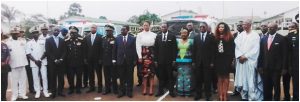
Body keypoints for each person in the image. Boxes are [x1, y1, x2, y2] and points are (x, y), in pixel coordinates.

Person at [235, 19, 263, 101]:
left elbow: (256, 49)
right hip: (241, 61)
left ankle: (252, 97)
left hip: (250, 61)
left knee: (250, 80)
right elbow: (237, 47)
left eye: (245, 24)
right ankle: (244, 96)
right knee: (242, 79)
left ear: (250, 25)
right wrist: (240, 56)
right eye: (243, 24)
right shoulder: (240, 35)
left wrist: (246, 56)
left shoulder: (255, 35)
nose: (243, 26)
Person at [258, 22, 287, 101]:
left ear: (276, 28)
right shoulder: (264, 38)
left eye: (272, 28)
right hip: (265, 68)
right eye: (269, 27)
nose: (269, 29)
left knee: (276, 87)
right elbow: (261, 53)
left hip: (276, 68)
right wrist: (260, 66)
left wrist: (284, 68)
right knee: (266, 87)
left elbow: (284, 54)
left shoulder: (281, 38)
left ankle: (276, 99)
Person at [26, 27, 50, 98]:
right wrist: (35, 61)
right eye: (33, 33)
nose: (35, 34)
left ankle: (45, 91)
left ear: (38, 33)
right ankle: (38, 91)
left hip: (42, 62)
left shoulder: (43, 41)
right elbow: (28, 54)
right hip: (34, 63)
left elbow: (46, 52)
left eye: (36, 32)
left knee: (44, 77)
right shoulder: (29, 43)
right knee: (35, 77)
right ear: (32, 34)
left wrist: (39, 60)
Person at [192, 22, 215, 101]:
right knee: (198, 79)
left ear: (206, 27)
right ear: (199, 28)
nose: (202, 28)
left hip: (207, 63)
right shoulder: (196, 37)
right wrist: (193, 61)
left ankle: (208, 95)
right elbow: (194, 50)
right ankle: (198, 94)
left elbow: (213, 51)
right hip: (198, 62)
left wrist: (212, 62)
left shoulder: (211, 37)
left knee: (207, 80)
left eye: (203, 27)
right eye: (200, 27)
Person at [113, 25, 137, 98]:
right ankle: (122, 92)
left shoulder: (132, 39)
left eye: (123, 30)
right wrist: (114, 59)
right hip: (120, 61)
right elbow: (114, 50)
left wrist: (135, 60)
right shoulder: (117, 38)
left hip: (129, 61)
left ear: (127, 30)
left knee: (130, 77)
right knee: (121, 77)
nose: (122, 31)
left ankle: (129, 91)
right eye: (121, 30)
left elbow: (134, 50)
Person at [154, 23, 177, 97]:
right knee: (161, 77)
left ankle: (171, 91)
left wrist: (174, 60)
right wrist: (155, 60)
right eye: (162, 27)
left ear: (167, 28)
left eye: (164, 27)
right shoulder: (158, 36)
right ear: (161, 28)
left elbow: (174, 49)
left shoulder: (172, 36)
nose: (163, 28)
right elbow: (156, 49)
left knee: (170, 77)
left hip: (169, 61)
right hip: (160, 61)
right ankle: (160, 91)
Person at [213, 22, 235, 101]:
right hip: (218, 60)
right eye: (219, 27)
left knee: (226, 78)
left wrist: (231, 60)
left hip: (226, 60)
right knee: (219, 78)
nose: (221, 28)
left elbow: (232, 50)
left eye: (222, 27)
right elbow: (213, 50)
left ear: (225, 28)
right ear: (217, 29)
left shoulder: (230, 37)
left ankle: (225, 95)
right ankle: (220, 95)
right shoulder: (215, 37)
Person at [6, 27, 29, 101]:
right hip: (13, 65)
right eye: (14, 34)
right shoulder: (7, 42)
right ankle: (14, 95)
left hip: (22, 63)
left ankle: (22, 94)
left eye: (17, 33)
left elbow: (26, 51)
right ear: (11, 34)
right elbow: (7, 54)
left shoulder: (22, 41)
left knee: (23, 80)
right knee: (14, 81)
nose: (16, 35)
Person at [46, 27, 66, 99]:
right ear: (52, 31)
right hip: (52, 63)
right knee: (53, 78)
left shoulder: (62, 40)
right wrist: (55, 60)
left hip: (61, 62)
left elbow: (64, 51)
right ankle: (53, 92)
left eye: (58, 30)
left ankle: (60, 91)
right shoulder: (48, 40)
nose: (56, 31)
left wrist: (61, 59)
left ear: (59, 32)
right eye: (55, 30)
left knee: (61, 77)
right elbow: (48, 51)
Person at [83, 24, 103, 93]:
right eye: (91, 28)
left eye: (94, 28)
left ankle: (100, 87)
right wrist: (85, 58)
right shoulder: (86, 37)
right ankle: (92, 87)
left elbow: (101, 49)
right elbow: (85, 49)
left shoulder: (100, 37)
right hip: (89, 59)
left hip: (97, 60)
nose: (92, 29)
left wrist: (101, 58)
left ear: (96, 29)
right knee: (90, 74)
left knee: (99, 74)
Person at [65, 26, 84, 95]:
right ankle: (71, 88)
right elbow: (65, 51)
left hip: (79, 62)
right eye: (71, 32)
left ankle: (78, 88)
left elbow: (84, 50)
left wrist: (83, 60)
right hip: (70, 62)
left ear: (77, 33)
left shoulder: (81, 39)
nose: (72, 34)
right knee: (70, 76)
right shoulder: (66, 40)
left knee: (79, 76)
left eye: (74, 32)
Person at [174, 28, 193, 96]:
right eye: (182, 33)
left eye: (185, 33)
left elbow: (194, 51)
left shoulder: (191, 41)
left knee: (187, 77)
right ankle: (180, 91)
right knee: (180, 77)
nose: (183, 34)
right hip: (179, 61)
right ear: (180, 34)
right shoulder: (177, 41)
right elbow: (174, 50)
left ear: (188, 34)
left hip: (189, 62)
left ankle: (188, 92)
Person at [102, 25, 118, 95]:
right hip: (105, 61)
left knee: (113, 76)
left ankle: (115, 89)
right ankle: (107, 89)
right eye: (106, 31)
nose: (107, 32)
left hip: (112, 61)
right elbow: (101, 50)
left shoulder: (115, 39)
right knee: (106, 76)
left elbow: (116, 51)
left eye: (109, 31)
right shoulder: (103, 38)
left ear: (112, 31)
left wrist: (115, 60)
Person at [286, 22, 299, 101]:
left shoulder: (298, 37)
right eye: (289, 27)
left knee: (296, 82)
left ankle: (296, 97)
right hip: (286, 64)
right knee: (285, 82)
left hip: (295, 64)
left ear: (296, 27)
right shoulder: (285, 37)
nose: (290, 28)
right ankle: (287, 97)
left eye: (292, 27)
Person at [231, 21, 243, 97]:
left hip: (244, 58)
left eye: (240, 26)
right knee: (236, 74)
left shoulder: (247, 35)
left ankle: (243, 92)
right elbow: (232, 47)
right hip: (236, 58)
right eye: (238, 26)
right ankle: (236, 90)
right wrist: (233, 58)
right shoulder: (234, 35)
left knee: (243, 75)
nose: (239, 27)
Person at [1, 33, 10, 101]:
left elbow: (8, 55)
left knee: (4, 83)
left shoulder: (5, 45)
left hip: (4, 67)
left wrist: (5, 62)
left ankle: (3, 97)